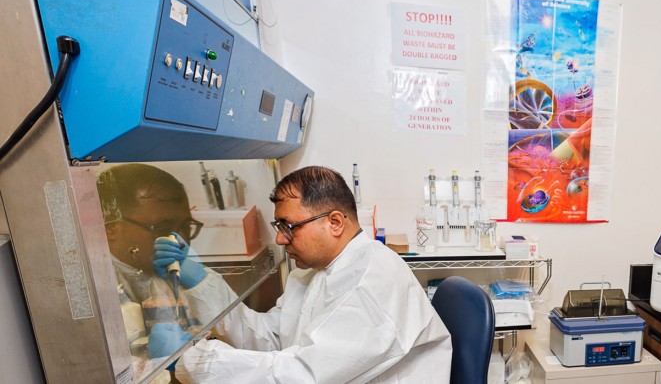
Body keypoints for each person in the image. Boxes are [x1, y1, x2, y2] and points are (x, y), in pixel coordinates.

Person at [162, 166, 452, 382]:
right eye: (278, 227)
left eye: (288, 226)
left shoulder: (371, 283)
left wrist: (194, 361)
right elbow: (273, 337)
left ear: (335, 222)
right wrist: (202, 283)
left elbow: (303, 375)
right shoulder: (316, 271)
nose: (280, 239)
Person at [98, 163, 215, 382]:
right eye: (162, 228)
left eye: (186, 225)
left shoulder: (183, 272)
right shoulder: (97, 292)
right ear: (110, 227)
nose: (180, 240)